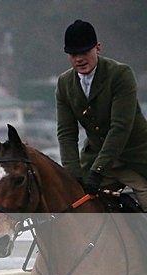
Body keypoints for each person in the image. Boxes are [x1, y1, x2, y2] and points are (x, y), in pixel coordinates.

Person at [56, 19, 147, 209]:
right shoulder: (64, 84)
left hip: (135, 158)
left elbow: (120, 128)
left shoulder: (121, 74)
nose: (79, 59)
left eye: (84, 52)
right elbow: (66, 134)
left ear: (98, 48)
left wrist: (98, 170)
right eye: (73, 54)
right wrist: (73, 175)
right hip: (95, 158)